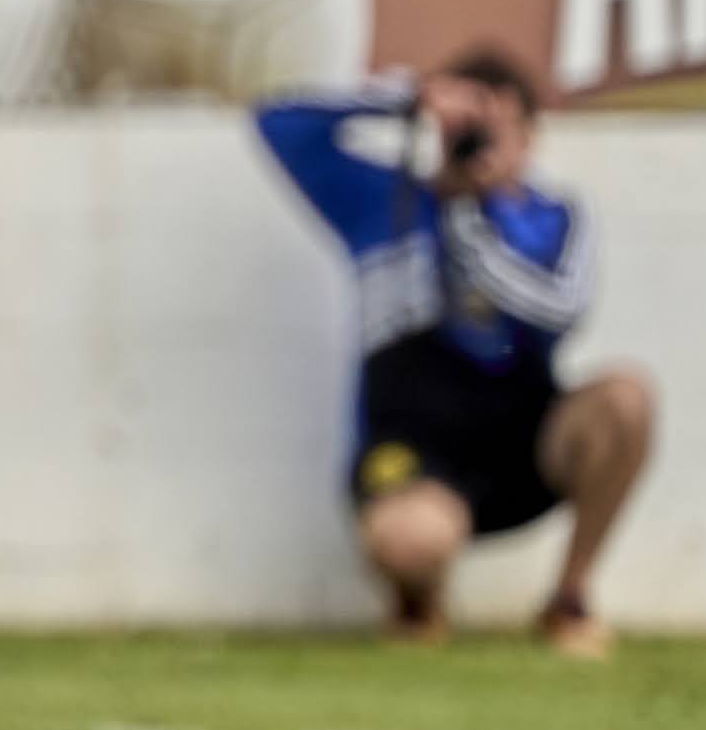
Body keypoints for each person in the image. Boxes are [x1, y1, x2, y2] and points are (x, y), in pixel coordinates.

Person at [254, 45, 656, 657]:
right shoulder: (381, 202)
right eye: (466, 125)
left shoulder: (555, 217)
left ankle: (569, 596)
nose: (478, 141)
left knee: (627, 398)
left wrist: (476, 212)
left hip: (525, 439)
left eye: (496, 126)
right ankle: (419, 598)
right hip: (416, 445)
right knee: (410, 538)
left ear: (528, 136)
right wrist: (406, 98)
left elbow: (560, 310)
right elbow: (277, 120)